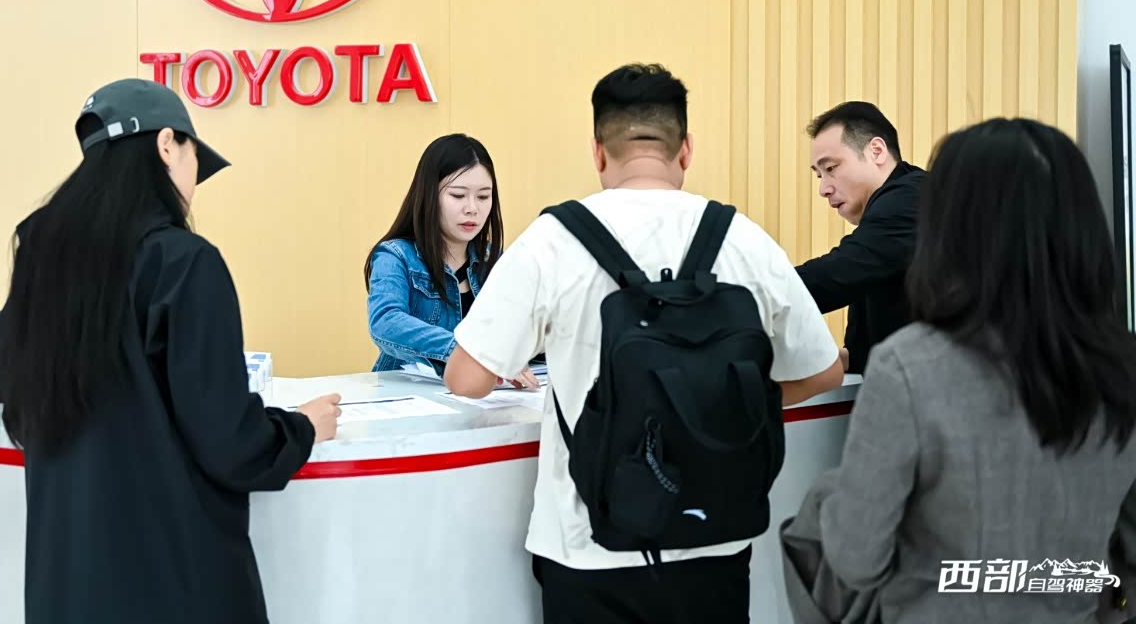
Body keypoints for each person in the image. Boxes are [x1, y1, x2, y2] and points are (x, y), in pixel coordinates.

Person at [443, 63, 843, 623]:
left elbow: (466, 378)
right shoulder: (742, 239)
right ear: (686, 149)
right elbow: (823, 371)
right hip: (715, 542)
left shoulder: (553, 241)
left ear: (598, 152)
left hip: (587, 546)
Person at [0, 78, 342, 624]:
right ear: (166, 145)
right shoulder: (183, 263)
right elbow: (229, 443)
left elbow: (23, 416)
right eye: (193, 162)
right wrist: (299, 429)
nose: (193, 187)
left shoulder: (41, 259)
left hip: (66, 585)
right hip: (172, 583)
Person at [790, 118, 1136, 623]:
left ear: (949, 222)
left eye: (829, 167)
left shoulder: (910, 367)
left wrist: (826, 497)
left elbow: (855, 559)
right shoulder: (1121, 365)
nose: (824, 186)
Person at [364, 133, 539, 388]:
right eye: (458, 195)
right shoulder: (395, 256)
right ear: (429, 195)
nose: (472, 208)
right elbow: (385, 322)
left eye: (483, 196)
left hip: (484, 397)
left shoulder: (493, 258)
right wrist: (468, 351)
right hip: (406, 396)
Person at [796, 102, 925, 373]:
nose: (823, 189)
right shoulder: (886, 220)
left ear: (876, 151)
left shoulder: (911, 199)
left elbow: (836, 275)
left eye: (831, 168)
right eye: (819, 175)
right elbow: (866, 352)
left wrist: (743, 297)